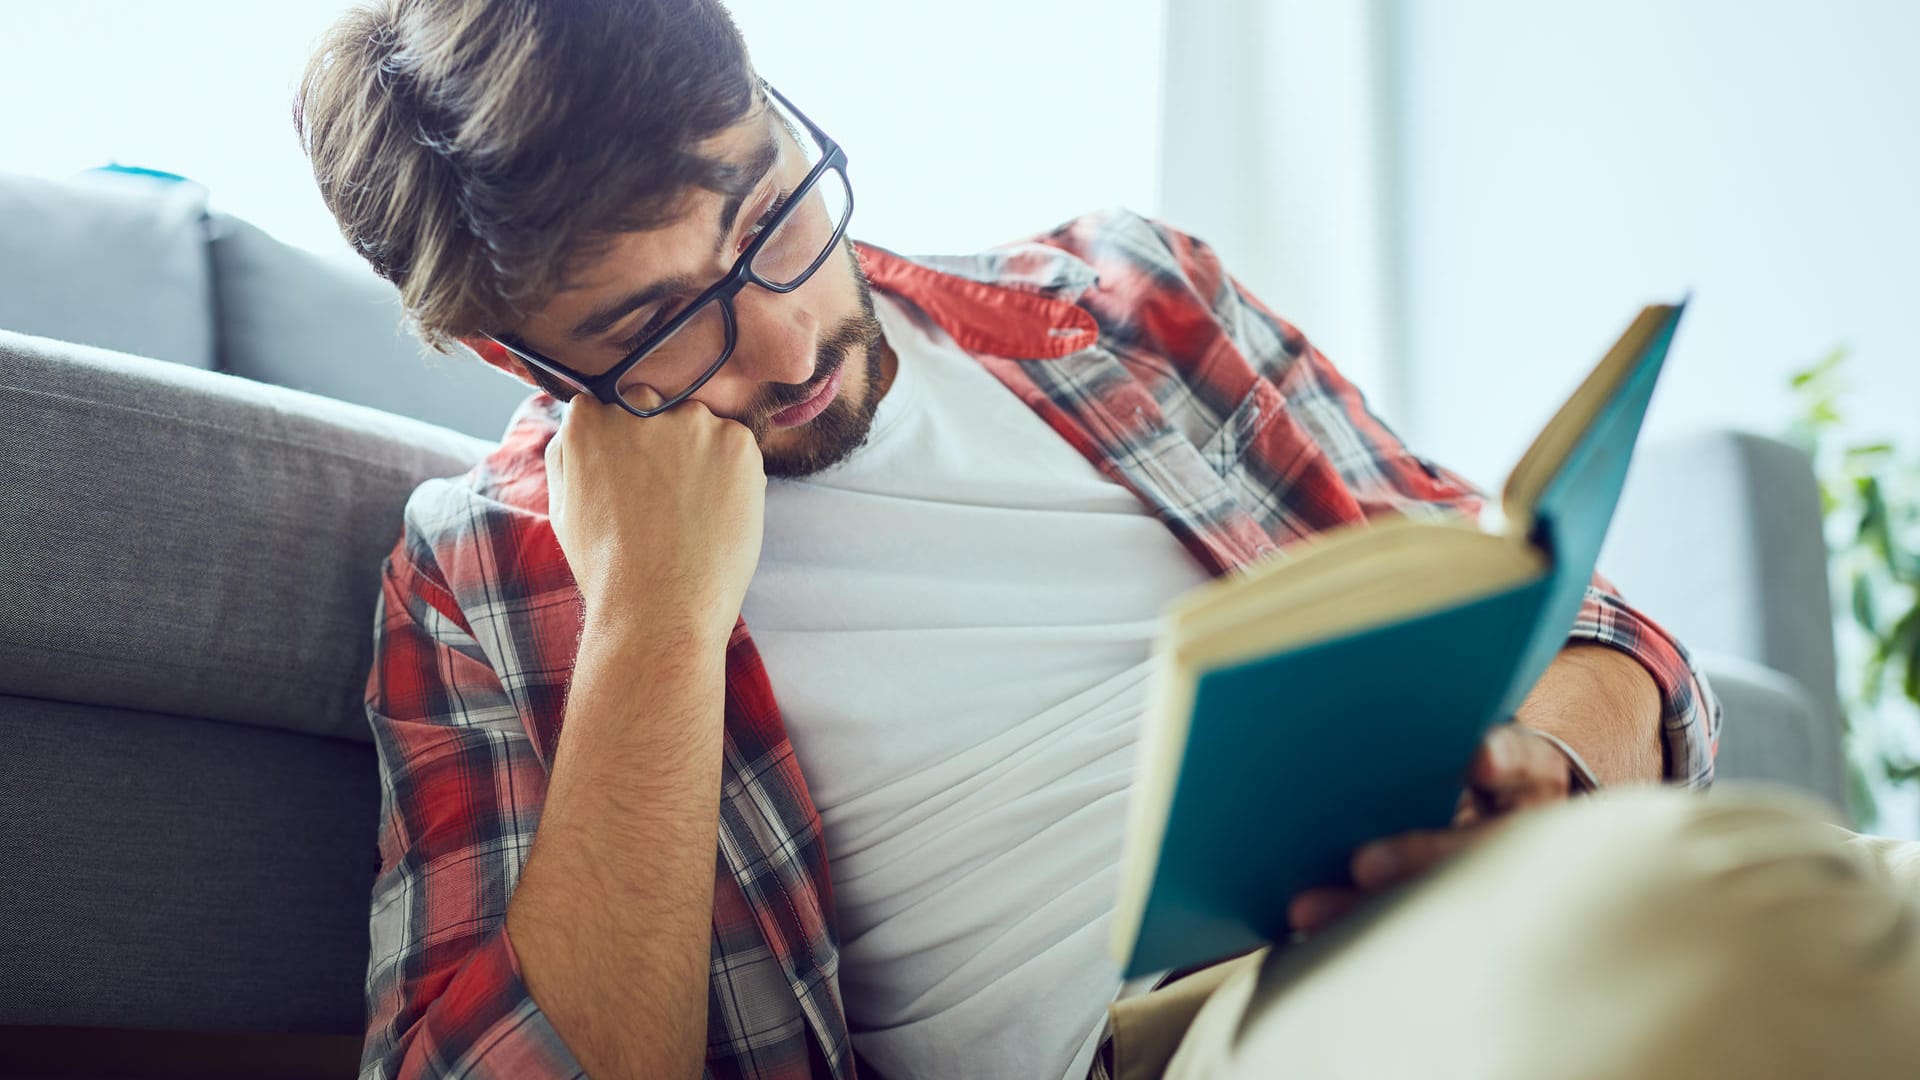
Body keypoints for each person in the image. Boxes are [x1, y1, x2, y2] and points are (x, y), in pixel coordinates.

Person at [295, 2, 1920, 1078]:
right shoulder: (484, 584)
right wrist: (650, 617)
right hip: (1181, 1042)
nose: (786, 341)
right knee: (1743, 922)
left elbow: (1594, 638)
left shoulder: (1123, 304)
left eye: (768, 212)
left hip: (1489, 905)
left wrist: (1544, 773)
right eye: (661, 325)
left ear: (778, 106)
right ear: (526, 361)